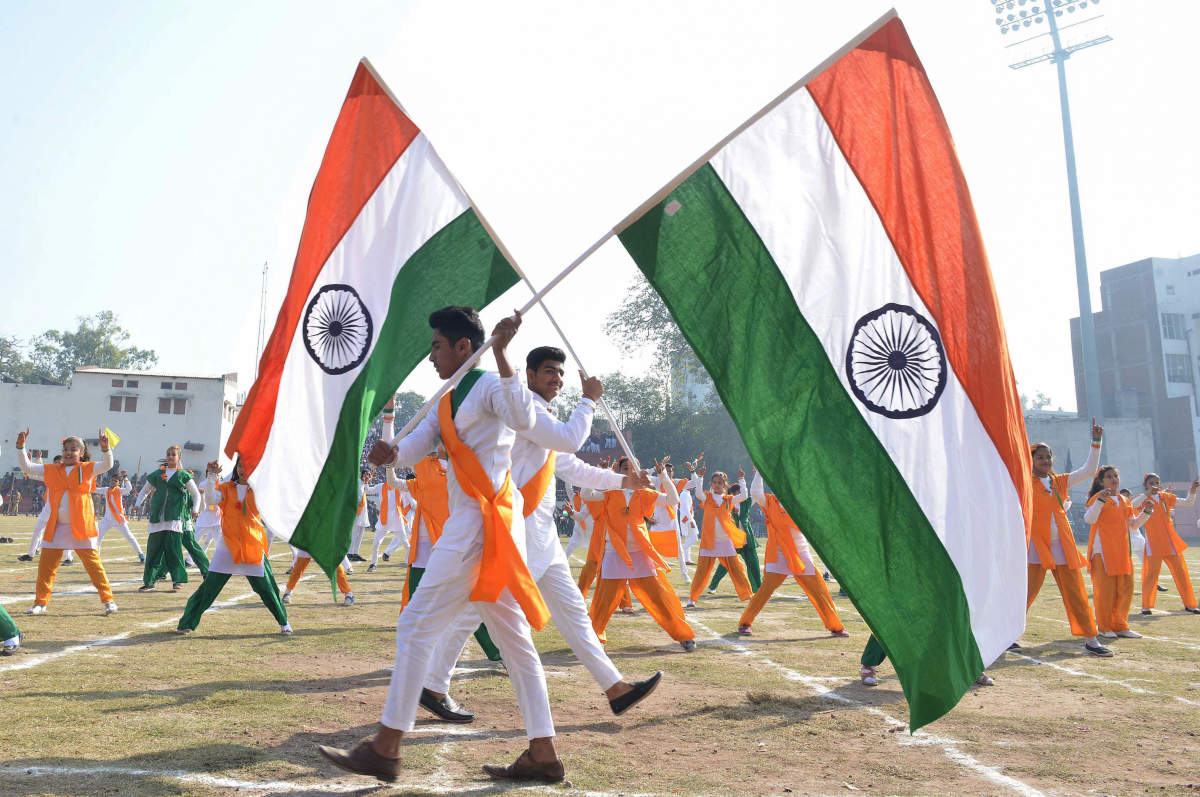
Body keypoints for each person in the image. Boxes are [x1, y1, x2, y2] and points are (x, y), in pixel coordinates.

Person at [319, 306, 565, 783]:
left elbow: (521, 415)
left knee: (415, 626)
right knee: (515, 644)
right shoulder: (444, 399)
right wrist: (391, 453)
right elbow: (415, 450)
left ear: (462, 348)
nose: (431, 355)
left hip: (479, 526)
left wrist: (507, 354)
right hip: (480, 529)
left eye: (436, 346)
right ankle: (544, 753)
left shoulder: (492, 384)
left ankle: (386, 747)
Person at [417, 347, 664, 724]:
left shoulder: (542, 419)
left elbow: (572, 466)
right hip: (517, 530)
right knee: (479, 611)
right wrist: (588, 401)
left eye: (560, 373)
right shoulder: (522, 414)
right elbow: (571, 440)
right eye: (549, 371)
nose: (557, 379)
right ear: (529, 375)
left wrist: (623, 481)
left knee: (572, 615)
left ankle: (615, 687)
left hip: (543, 534)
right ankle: (433, 684)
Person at [585, 456, 696, 651]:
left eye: (633, 468)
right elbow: (587, 494)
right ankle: (593, 638)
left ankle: (682, 635)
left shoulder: (644, 493)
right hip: (614, 553)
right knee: (604, 602)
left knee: (658, 599)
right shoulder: (609, 492)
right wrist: (601, 474)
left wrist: (663, 475)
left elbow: (673, 499)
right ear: (618, 471)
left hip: (639, 553)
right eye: (625, 468)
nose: (629, 472)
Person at [1025, 420, 1112, 657]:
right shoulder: (1023, 482)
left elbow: (1088, 471)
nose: (1045, 460)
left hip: (1063, 546)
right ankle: (1006, 635)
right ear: (1030, 460)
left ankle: (1091, 640)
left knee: (1076, 592)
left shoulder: (1059, 481)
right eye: (1040, 457)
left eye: (1048, 456)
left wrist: (1096, 443)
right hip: (1035, 546)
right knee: (1025, 593)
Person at [177, 459, 291, 635]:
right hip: (227, 546)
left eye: (246, 466)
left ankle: (284, 623)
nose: (242, 469)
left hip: (251, 546)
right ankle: (187, 623)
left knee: (266, 588)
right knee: (209, 588)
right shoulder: (226, 488)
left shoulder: (260, 489)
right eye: (239, 466)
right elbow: (209, 499)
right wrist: (212, 476)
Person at [15, 429, 117, 616]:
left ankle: (108, 599)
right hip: (57, 526)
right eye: (65, 449)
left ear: (81, 453)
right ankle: (40, 603)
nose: (68, 453)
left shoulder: (87, 468)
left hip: (82, 526)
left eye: (73, 449)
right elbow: (27, 468)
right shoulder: (52, 469)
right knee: (46, 567)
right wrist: (21, 447)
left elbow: (107, 465)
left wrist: (105, 449)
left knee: (94, 566)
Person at [738, 470, 848, 637]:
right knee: (765, 591)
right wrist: (759, 472)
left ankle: (835, 626)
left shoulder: (801, 503)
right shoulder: (770, 502)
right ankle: (745, 623)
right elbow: (754, 492)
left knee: (819, 590)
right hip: (779, 555)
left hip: (801, 555)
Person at [1083, 466, 1153, 639]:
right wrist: (1100, 501)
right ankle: (1104, 626)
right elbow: (1089, 519)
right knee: (1105, 591)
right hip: (1102, 551)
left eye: (1115, 476)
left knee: (1125, 589)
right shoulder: (1097, 498)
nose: (1113, 479)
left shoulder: (1124, 500)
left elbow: (1134, 525)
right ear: (1101, 481)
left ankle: (1120, 625)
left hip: (1122, 551)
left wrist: (1147, 511)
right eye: (1109, 476)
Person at [684, 465, 754, 608]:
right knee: (701, 572)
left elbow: (744, 496)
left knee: (737, 569)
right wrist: (700, 477)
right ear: (711, 484)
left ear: (724, 485)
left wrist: (742, 479)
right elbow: (698, 493)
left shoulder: (728, 499)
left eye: (720, 483)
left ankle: (747, 596)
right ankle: (692, 599)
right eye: (714, 482)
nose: (717, 485)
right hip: (709, 542)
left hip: (725, 542)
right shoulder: (707, 497)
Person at [136, 446, 203, 591]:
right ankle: (149, 582)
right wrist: (137, 504)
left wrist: (195, 510)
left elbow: (196, 494)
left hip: (174, 519)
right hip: (157, 520)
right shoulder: (157, 474)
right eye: (168, 454)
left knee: (174, 552)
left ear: (179, 458)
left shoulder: (184, 475)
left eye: (174, 455)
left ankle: (177, 580)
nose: (171, 457)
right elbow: (144, 491)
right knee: (153, 552)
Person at [1132, 474, 1200, 615]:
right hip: (1154, 544)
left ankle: (1190, 605)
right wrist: (1146, 494)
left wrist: (1192, 491)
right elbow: (1132, 505)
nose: (1155, 485)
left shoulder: (1165, 497)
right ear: (1146, 485)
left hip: (1171, 544)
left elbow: (1187, 503)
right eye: (1151, 483)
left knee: (1181, 574)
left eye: (1157, 482)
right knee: (1151, 576)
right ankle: (1146, 607)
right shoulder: (1143, 498)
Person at [18, 455, 74, 566]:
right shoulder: (49, 475)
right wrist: (31, 460)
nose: (57, 464)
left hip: (62, 509)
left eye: (60, 462)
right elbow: (32, 473)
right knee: (38, 529)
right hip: (48, 508)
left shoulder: (69, 475)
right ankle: (30, 554)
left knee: (66, 533)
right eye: (55, 462)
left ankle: (69, 558)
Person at [707, 481, 763, 594]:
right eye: (739, 492)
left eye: (742, 492)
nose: (741, 494)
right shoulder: (727, 503)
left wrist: (757, 476)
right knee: (725, 565)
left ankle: (758, 589)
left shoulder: (747, 502)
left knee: (753, 564)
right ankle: (712, 586)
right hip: (732, 540)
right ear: (733, 493)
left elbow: (757, 493)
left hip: (747, 540)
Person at [94, 470, 145, 562]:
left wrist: (125, 477)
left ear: (119, 483)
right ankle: (97, 557)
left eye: (115, 481)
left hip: (118, 520)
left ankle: (141, 554)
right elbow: (94, 489)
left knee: (130, 537)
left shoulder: (120, 491)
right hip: (107, 520)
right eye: (112, 480)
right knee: (98, 538)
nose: (113, 482)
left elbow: (129, 488)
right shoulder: (106, 490)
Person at [347, 468, 377, 562]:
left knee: (360, 533)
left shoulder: (364, 484)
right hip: (357, 511)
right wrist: (357, 502)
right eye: (366, 474)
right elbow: (353, 494)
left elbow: (368, 491)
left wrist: (367, 482)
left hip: (362, 512)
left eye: (368, 475)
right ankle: (349, 553)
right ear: (362, 474)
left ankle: (355, 553)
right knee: (354, 533)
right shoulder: (358, 482)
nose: (367, 476)